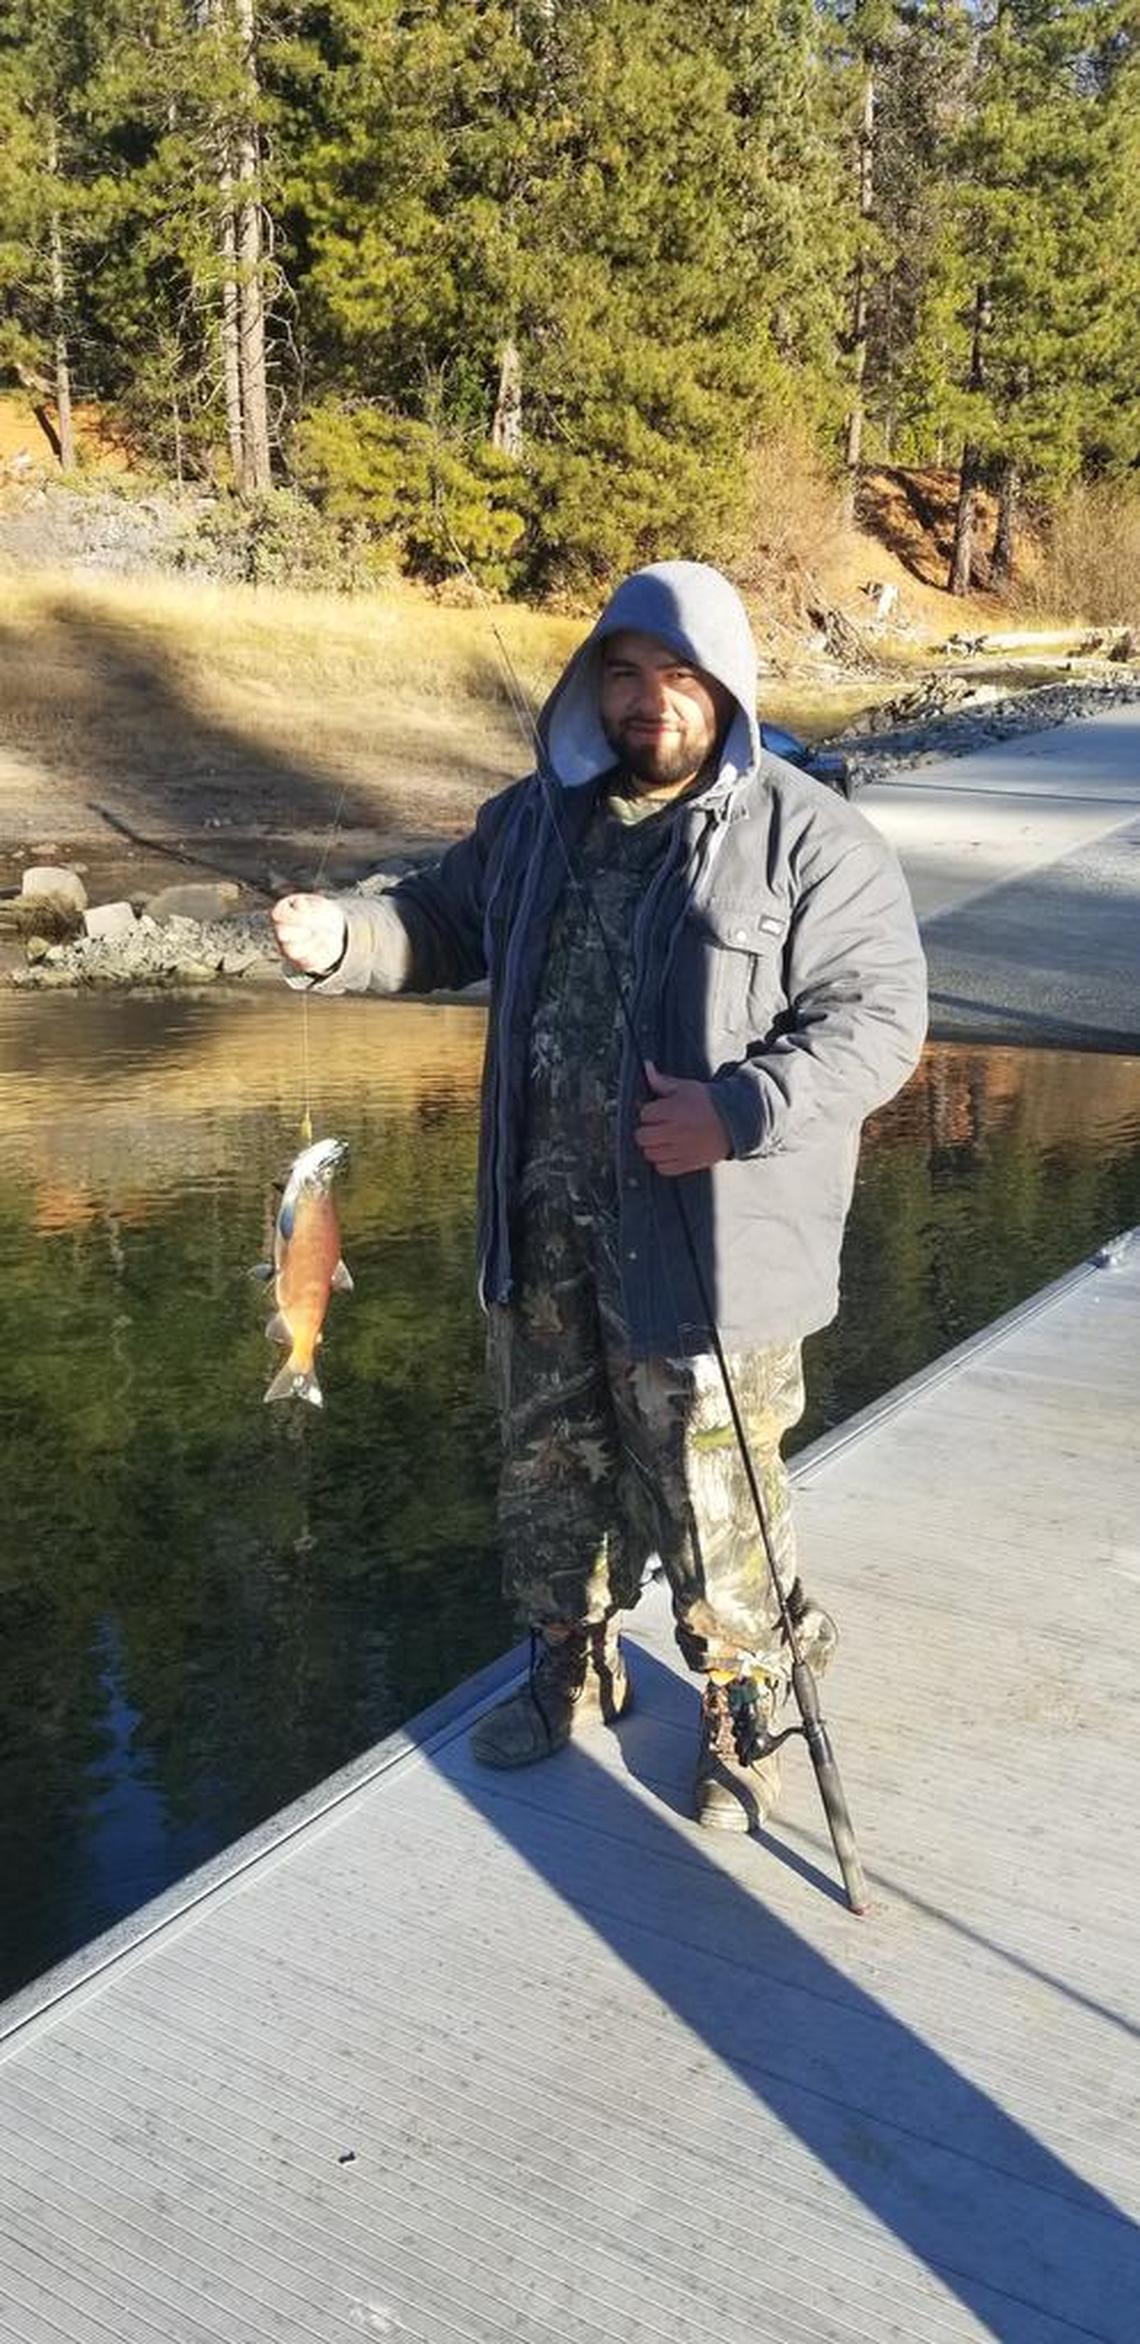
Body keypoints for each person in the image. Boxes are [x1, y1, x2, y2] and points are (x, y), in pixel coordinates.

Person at [272, 561, 927, 1830]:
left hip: (709, 1249)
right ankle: (568, 1655)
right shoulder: (532, 821)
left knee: (714, 1489)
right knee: (546, 1468)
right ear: (591, 686)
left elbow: (879, 1023)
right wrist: (344, 938)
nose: (650, 703)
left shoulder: (811, 837)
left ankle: (744, 1701)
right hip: (542, 1232)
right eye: (623, 676)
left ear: (726, 687)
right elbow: (438, 925)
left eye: (678, 677)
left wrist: (739, 1110)